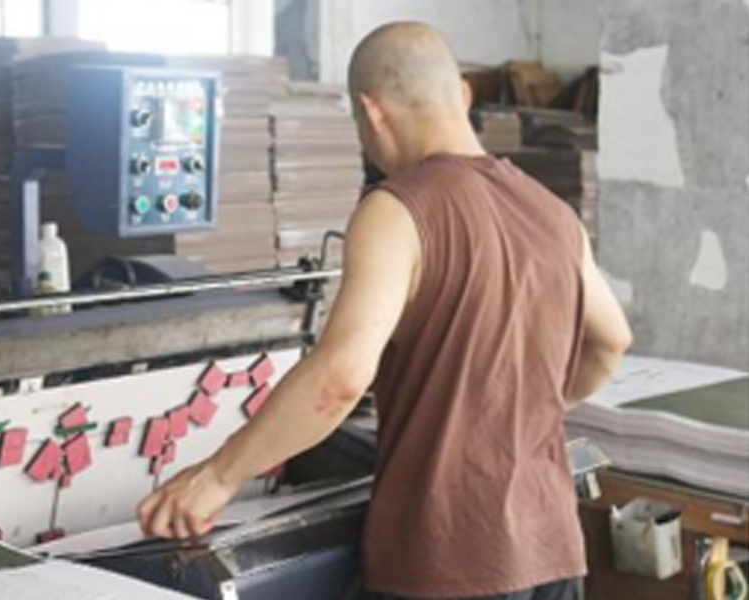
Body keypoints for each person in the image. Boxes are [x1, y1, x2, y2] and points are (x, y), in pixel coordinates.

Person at [137, 22, 632, 600]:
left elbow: (340, 379)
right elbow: (610, 342)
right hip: (552, 553)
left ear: (371, 113)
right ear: (463, 95)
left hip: (448, 559)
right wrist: (511, 411)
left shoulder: (397, 209)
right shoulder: (553, 213)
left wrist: (219, 475)